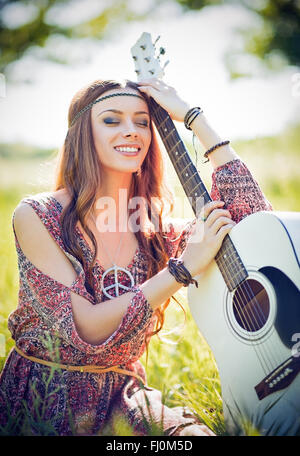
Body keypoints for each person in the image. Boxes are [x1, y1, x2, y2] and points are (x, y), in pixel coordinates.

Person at [0, 78, 272, 436]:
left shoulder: (155, 229)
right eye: (112, 120)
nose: (131, 131)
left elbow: (252, 222)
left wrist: (194, 119)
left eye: (142, 122)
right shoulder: (38, 215)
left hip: (123, 396)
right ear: (82, 133)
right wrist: (183, 269)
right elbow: (86, 329)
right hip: (45, 396)